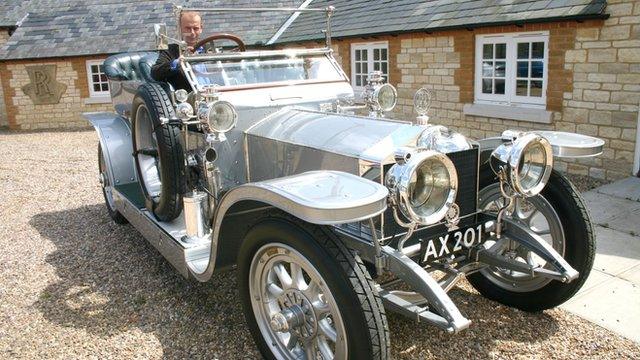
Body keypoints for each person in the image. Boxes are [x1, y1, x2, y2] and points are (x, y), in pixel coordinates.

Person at [151, 11, 204, 91]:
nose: (192, 33)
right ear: (179, 29)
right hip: (190, 97)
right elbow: (155, 73)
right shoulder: (171, 51)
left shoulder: (211, 49)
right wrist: (177, 62)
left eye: (196, 28)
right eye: (188, 28)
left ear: (201, 29)